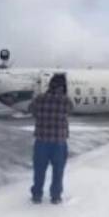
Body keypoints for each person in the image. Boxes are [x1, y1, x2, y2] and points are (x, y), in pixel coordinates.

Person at [29, 74, 73, 204]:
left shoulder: (40, 98)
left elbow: (31, 110)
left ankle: (37, 195)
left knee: (39, 170)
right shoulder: (66, 101)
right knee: (58, 170)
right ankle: (56, 196)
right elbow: (70, 111)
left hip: (41, 140)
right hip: (59, 141)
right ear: (63, 86)